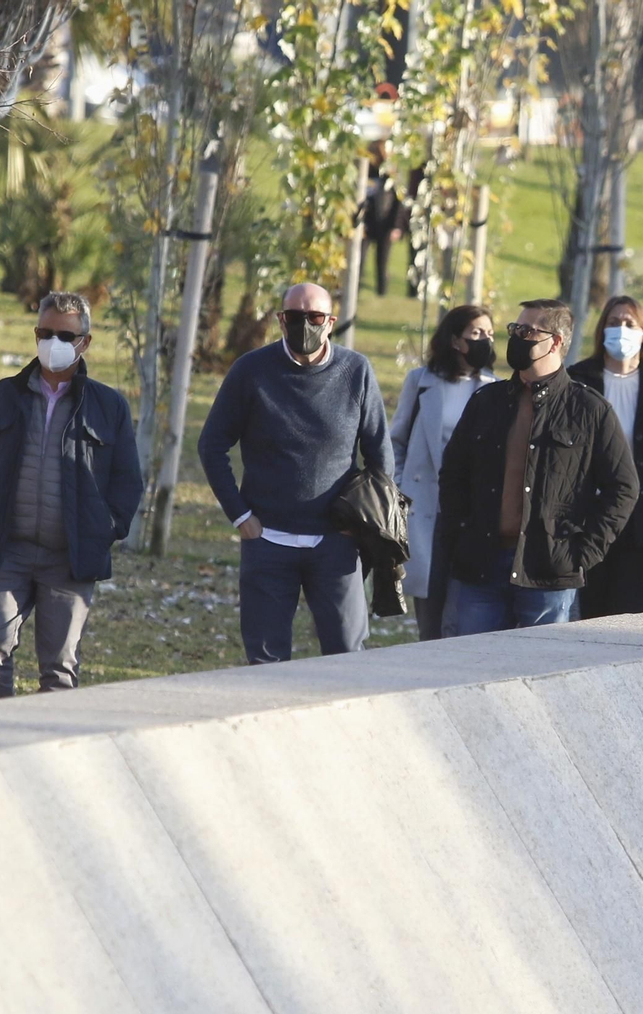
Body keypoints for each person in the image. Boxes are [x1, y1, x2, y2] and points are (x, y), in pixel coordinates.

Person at [0, 291, 143, 699]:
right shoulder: (4, 395)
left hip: (70, 561)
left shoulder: (108, 407)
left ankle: (44, 750)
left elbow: (128, 482)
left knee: (59, 672)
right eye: (45, 332)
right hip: (7, 553)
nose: (53, 343)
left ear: (85, 342)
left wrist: (103, 529)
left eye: (65, 335)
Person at [198, 281, 393, 660]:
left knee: (348, 656)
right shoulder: (251, 371)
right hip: (266, 540)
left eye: (315, 317)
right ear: (280, 320)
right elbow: (211, 445)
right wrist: (241, 516)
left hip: (337, 543)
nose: (305, 325)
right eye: (294, 317)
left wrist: (364, 523)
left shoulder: (356, 371)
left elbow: (379, 455)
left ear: (331, 322)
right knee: (265, 660)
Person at [437, 298, 639, 634]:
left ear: (556, 342)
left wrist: (582, 553)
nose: (517, 337)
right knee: (472, 669)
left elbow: (624, 487)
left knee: (540, 672)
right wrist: (458, 534)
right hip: (480, 565)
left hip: (548, 572)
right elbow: (453, 473)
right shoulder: (487, 402)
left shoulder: (589, 410)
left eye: (528, 331)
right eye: (515, 329)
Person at [567, 296, 643, 616]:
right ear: (600, 331)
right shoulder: (579, 379)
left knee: (630, 614)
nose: (620, 329)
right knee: (591, 616)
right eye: (613, 322)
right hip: (589, 519)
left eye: (629, 323)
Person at [390, 304, 497, 640]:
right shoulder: (420, 382)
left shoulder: (494, 388)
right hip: (425, 509)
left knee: (465, 609)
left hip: (469, 514)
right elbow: (397, 441)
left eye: (490, 334)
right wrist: (399, 491)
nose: (486, 340)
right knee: (431, 610)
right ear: (455, 340)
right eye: (477, 333)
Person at [361, 141, 401, 299]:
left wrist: (396, 226)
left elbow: (398, 203)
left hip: (385, 224)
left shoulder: (389, 176)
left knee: (382, 262)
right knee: (360, 260)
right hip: (366, 224)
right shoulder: (365, 172)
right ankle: (355, 289)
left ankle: (382, 292)